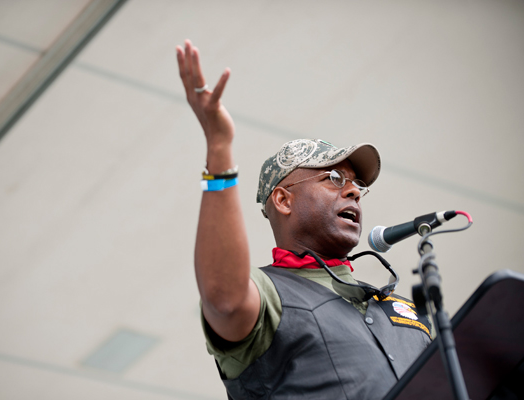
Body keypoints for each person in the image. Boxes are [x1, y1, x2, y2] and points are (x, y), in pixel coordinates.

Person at [176, 39, 432, 399]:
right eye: (334, 178)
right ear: (283, 200)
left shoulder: (406, 311)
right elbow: (225, 300)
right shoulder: (269, 294)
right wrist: (219, 147)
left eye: (357, 184)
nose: (354, 191)